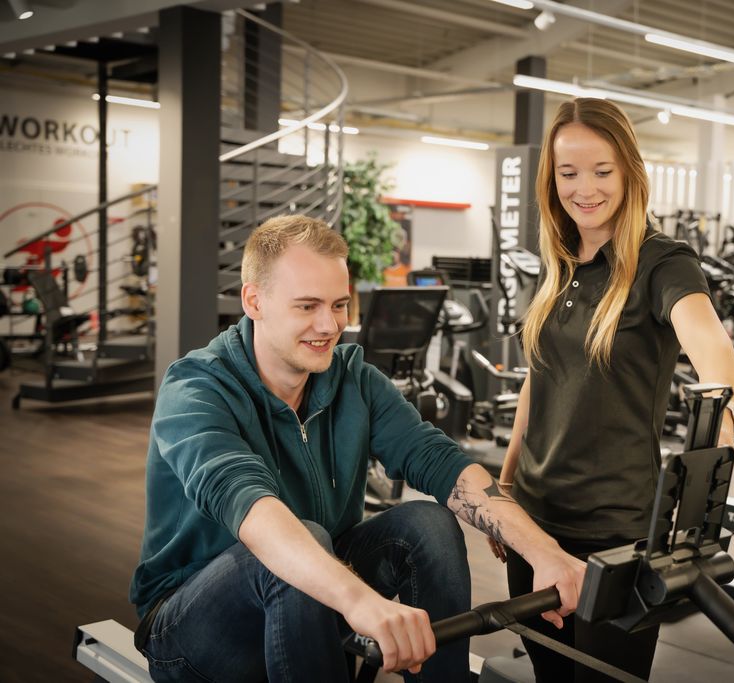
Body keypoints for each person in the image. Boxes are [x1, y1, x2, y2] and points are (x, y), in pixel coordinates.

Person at [129, 215, 587, 682]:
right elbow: (250, 507)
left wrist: (543, 552)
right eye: (307, 306)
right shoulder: (196, 388)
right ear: (255, 301)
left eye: (340, 304)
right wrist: (361, 601)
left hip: (313, 601)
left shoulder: (353, 379)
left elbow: (440, 461)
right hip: (191, 631)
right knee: (297, 541)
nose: (329, 325)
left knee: (426, 524)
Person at [493, 98, 734, 682]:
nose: (585, 188)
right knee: (550, 676)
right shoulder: (556, 263)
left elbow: (709, 343)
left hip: (615, 533)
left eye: (602, 171)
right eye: (568, 173)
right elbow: (540, 378)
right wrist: (506, 490)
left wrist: (723, 408)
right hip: (536, 525)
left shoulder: (663, 262)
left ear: (630, 170)